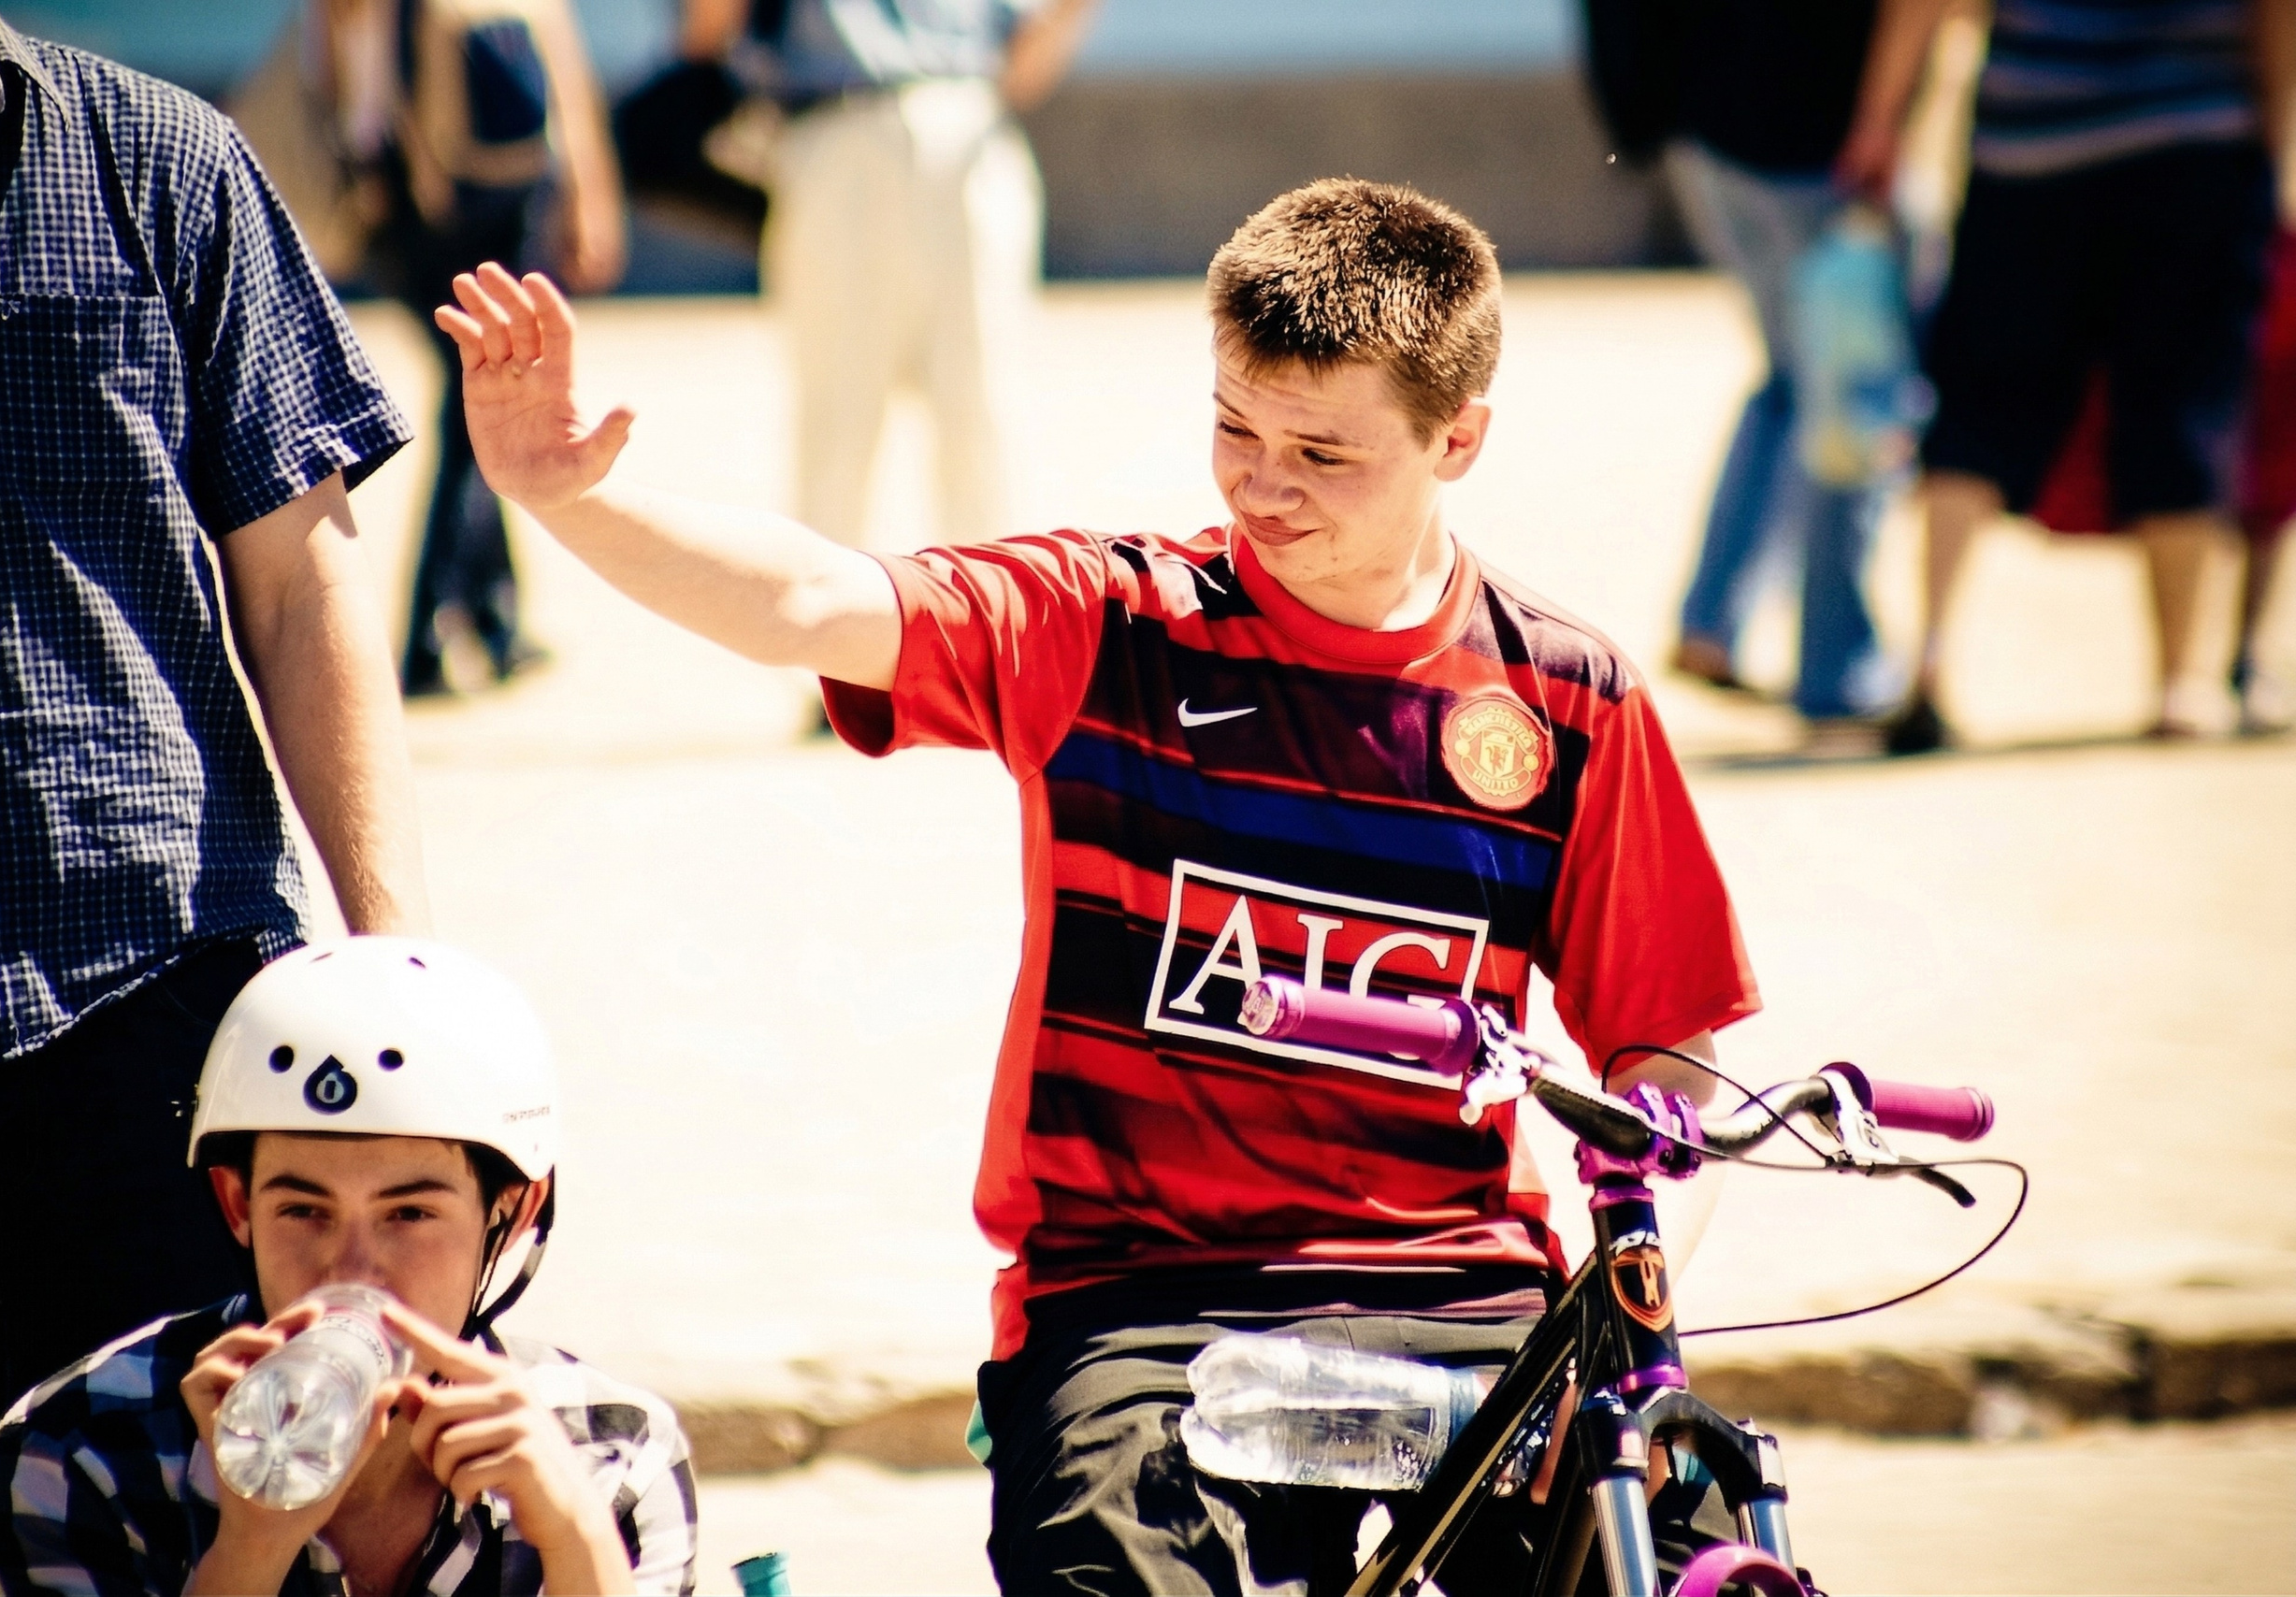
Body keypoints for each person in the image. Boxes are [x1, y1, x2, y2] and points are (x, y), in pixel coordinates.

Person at [435, 177, 1757, 1590]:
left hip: (1465, 1295)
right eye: (1236, 426)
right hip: (1140, 1307)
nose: (1262, 481)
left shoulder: (1569, 697)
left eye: (1324, 451)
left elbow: (1669, 1053)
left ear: (1461, 438)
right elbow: (815, 602)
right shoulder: (1108, 621)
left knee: (1692, 1537)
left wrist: (1622, 1319)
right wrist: (580, 496)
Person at [0, 2, 427, 1584]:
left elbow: (300, 584)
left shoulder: (162, 165)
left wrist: (397, 968)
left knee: (203, 1533)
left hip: (155, 1031)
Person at [0, 937, 700, 1597]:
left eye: (410, 1214)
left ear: (508, 1211)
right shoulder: (83, 1447)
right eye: (303, 1210)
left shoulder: (614, 1454)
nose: (352, 1270)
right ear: (238, 1204)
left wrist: (576, 1537)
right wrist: (252, 1547)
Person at [1842, 0, 2292, 750]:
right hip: (2191, 139)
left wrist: (1882, 120)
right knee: (2182, 401)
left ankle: (1929, 657)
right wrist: (2278, 134)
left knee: (1979, 396)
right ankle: (2181, 685)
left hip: (2030, 140)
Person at [678, 0, 1100, 551]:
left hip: (972, 130)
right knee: (838, 420)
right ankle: (820, 618)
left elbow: (1020, 70)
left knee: (980, 415)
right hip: (840, 127)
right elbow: (704, 34)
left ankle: (995, 624)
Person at [328, 0, 628, 697]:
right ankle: (438, 627)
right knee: (477, 411)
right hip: (485, 204)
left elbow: (349, 78)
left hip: (416, 204)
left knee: (474, 410)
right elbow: (565, 78)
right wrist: (591, 195)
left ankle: (486, 621)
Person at [1639, 0, 1909, 737]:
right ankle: (1837, 670)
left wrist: (1645, 116)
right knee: (1853, 393)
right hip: (1826, 143)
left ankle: (1712, 620)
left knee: (1794, 382)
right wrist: (1885, 124)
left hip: (1713, 135)